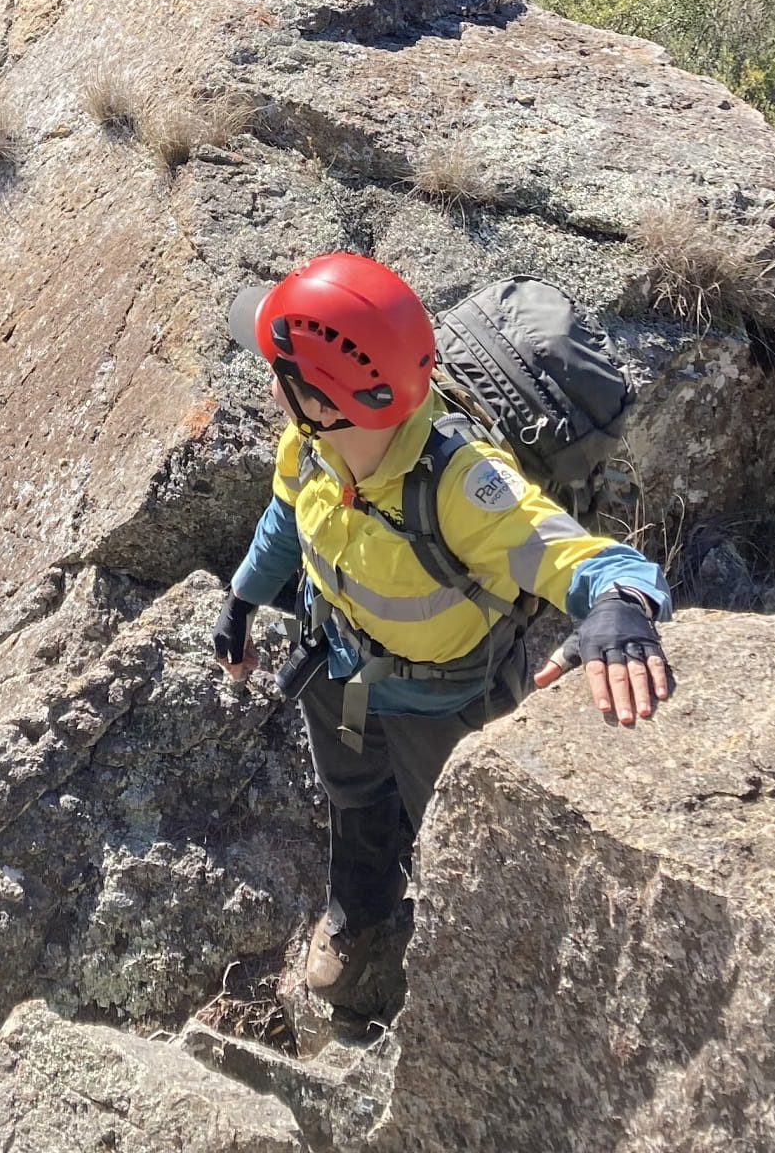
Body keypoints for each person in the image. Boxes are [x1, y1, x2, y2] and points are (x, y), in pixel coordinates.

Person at [214, 251, 675, 1007]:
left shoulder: (462, 486)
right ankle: (358, 908)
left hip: (445, 706)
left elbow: (581, 558)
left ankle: (459, 955)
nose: (269, 383)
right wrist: (242, 599)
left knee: (456, 837)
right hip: (335, 668)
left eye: (279, 370)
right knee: (353, 791)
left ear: (327, 399)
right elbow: (284, 519)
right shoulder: (311, 443)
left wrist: (621, 606)